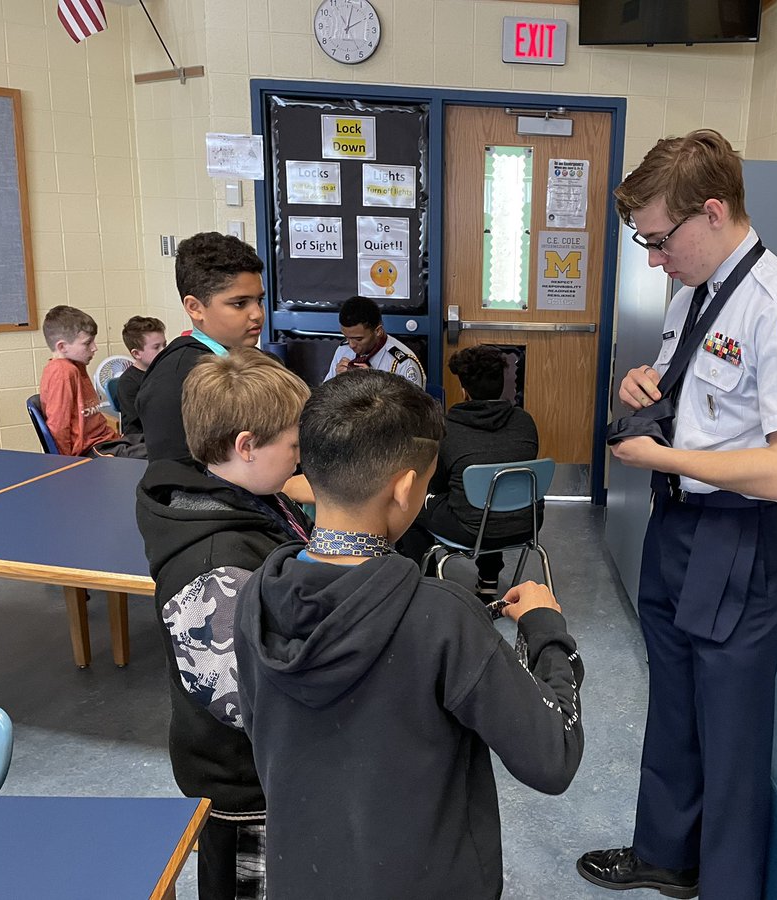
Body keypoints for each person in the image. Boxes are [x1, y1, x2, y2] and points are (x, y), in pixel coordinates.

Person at [577, 130, 777, 900]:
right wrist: (645, 387)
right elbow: (704, 398)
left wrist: (671, 460)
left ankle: (724, 886)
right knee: (675, 701)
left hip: (740, 541)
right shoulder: (696, 291)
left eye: (659, 240)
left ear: (713, 212)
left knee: (730, 733)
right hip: (680, 525)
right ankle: (664, 855)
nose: (654, 259)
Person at [233, 369, 584, 900]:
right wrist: (546, 631)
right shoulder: (442, 617)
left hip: (302, 874)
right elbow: (552, 755)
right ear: (405, 486)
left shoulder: (256, 595)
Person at [135, 348, 313, 900]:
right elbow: (236, 699)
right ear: (245, 446)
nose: (301, 458)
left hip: (261, 768)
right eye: (293, 446)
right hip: (241, 780)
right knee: (245, 887)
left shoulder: (243, 491)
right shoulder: (214, 563)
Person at [398, 344, 542, 605]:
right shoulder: (524, 421)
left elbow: (437, 484)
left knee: (414, 505)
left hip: (469, 531)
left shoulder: (448, 428)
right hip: (526, 524)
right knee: (493, 494)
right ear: (502, 385)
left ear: (464, 390)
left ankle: (428, 584)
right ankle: (489, 579)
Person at [136, 232, 266, 462]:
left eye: (259, 300)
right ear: (195, 307)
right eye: (239, 303)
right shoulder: (174, 383)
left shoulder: (255, 360)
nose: (257, 314)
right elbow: (176, 478)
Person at [38, 305, 144, 458]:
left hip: (108, 441)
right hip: (93, 449)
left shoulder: (76, 365)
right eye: (87, 343)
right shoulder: (63, 372)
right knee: (160, 455)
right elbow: (58, 427)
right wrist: (65, 467)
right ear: (62, 346)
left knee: (164, 443)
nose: (94, 348)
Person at [323, 295, 425, 385]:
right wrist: (336, 382)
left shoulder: (403, 363)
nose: (351, 345)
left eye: (358, 339)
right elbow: (322, 400)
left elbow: (412, 406)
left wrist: (375, 384)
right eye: (346, 337)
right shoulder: (343, 351)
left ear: (378, 331)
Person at [115, 315, 166, 437]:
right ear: (137, 353)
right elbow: (138, 423)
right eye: (156, 347)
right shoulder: (128, 383)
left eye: (165, 344)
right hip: (140, 439)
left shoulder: (165, 371)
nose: (164, 350)